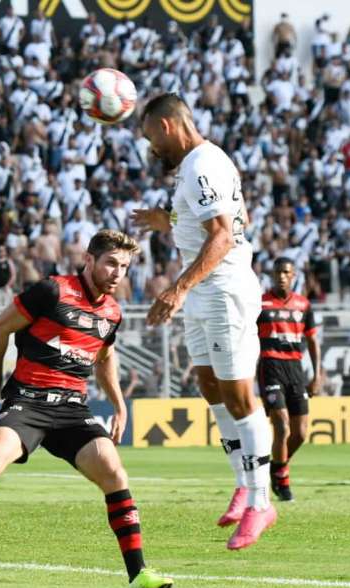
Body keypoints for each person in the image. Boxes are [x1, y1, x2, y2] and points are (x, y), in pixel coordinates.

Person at [0, 230, 173, 588]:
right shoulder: (51, 291)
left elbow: (104, 357)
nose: (118, 273)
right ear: (89, 260)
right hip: (30, 400)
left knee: (115, 473)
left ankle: (139, 574)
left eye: (125, 267)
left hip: (72, 409)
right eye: (111, 263)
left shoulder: (112, 313)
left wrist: (118, 404)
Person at [131, 93, 276, 550]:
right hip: (205, 289)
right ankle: (243, 482)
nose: (153, 148)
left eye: (152, 136)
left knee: (237, 393)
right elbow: (235, 217)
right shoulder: (202, 164)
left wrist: (178, 288)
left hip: (221, 288)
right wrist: (168, 220)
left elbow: (224, 233)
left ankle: (261, 501)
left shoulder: (199, 165)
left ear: (168, 126)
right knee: (209, 385)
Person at [256, 257, 321, 502]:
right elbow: (248, 339)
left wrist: (317, 375)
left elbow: (313, 342)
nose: (281, 276)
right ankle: (282, 482)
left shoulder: (303, 305)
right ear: (272, 275)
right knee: (281, 426)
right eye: (278, 272)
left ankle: (277, 466)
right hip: (270, 366)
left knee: (301, 433)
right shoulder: (260, 303)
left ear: (293, 275)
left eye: (286, 272)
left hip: (295, 369)